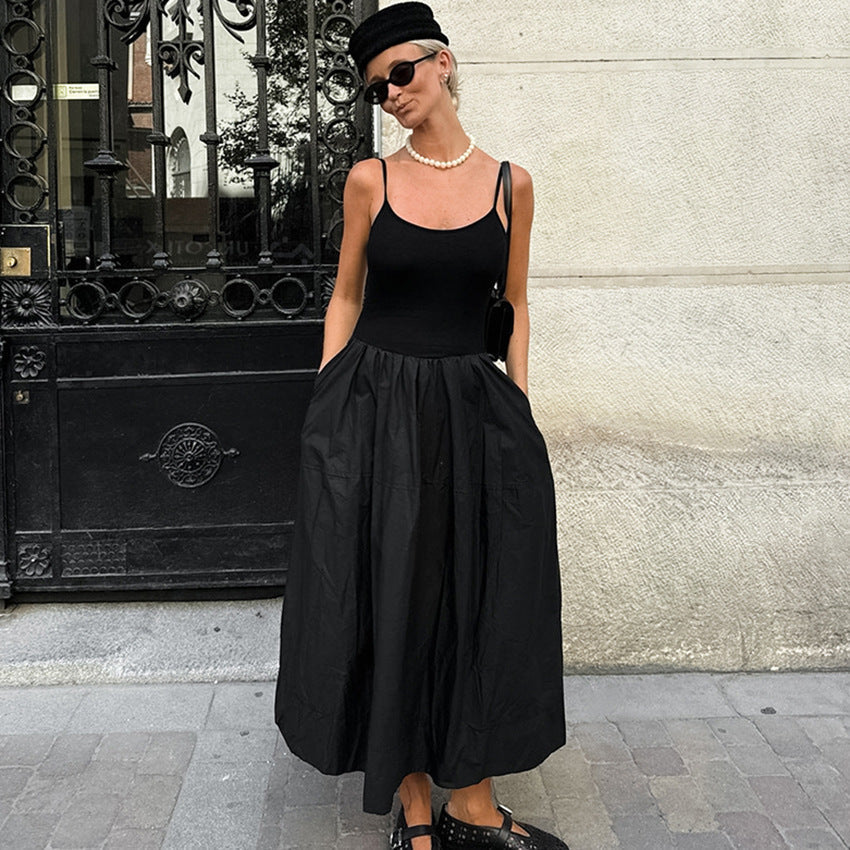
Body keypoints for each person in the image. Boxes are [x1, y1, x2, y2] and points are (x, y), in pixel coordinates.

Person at [274, 3, 568, 848]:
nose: (391, 94)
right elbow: (347, 296)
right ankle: (413, 809)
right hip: (375, 408)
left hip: (471, 410)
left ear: (442, 62)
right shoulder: (370, 180)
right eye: (376, 88)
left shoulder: (512, 185)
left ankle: (471, 802)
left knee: (477, 593)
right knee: (388, 591)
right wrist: (329, 397)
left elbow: (515, 303)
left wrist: (519, 404)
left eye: (400, 73)